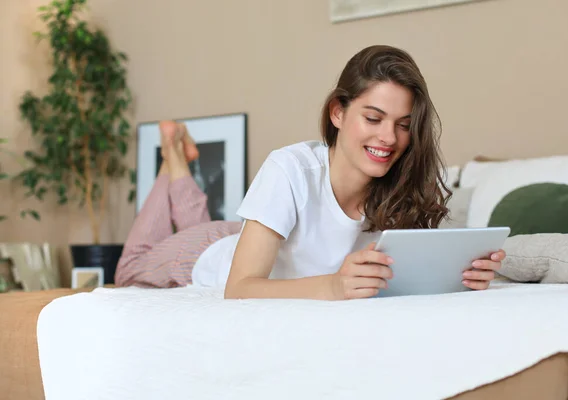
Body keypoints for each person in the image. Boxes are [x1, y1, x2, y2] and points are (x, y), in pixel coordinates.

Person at [116, 45, 506, 299]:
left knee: (204, 222)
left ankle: (178, 161)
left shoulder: (401, 186)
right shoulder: (290, 169)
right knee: (131, 267)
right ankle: (173, 160)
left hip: (262, 235)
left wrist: (460, 278)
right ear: (338, 112)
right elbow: (238, 289)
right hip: (206, 253)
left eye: (403, 124)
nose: (389, 137)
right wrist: (336, 285)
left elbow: (401, 282)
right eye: (373, 118)